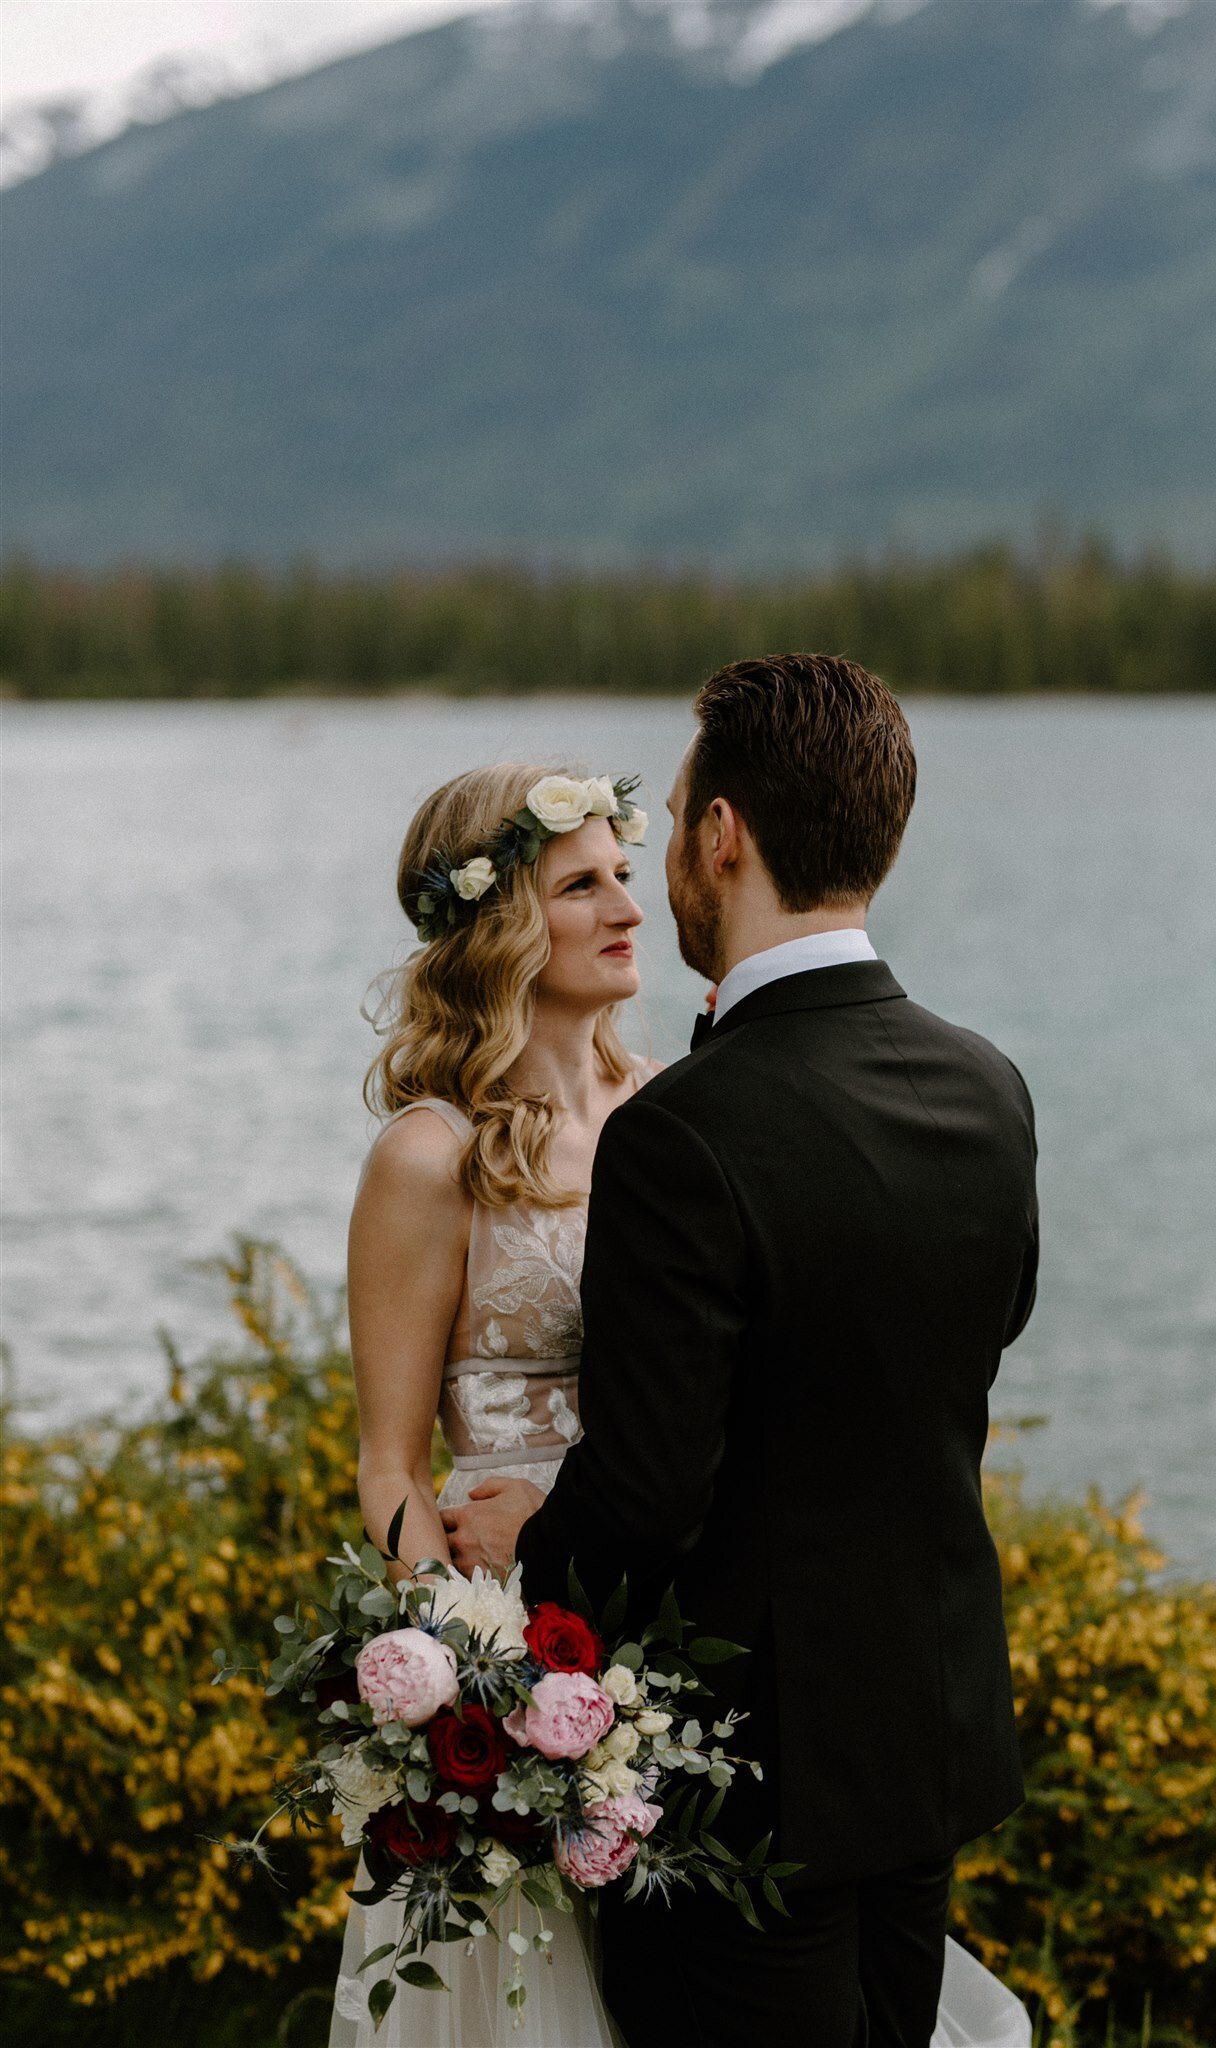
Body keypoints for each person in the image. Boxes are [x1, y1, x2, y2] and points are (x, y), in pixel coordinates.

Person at [445, 656, 1040, 2048]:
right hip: (929, 1741)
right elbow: (949, 1369)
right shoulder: (985, 1088)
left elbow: (650, 1492)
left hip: (743, 1782)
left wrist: (527, 1547)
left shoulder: (684, 1131)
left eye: (669, 841)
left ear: (721, 835)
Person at [329, 760, 657, 2048]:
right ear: (506, 925)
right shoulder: (431, 1154)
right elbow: (391, 1468)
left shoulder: (669, 1115)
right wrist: (463, 1679)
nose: (628, 906)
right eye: (584, 884)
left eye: (624, 873)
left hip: (663, 1585)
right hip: (508, 1624)